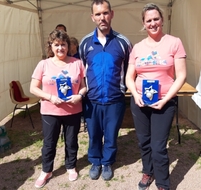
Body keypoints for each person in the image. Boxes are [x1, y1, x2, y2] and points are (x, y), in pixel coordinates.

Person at [125, 3, 186, 190]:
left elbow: (181, 75)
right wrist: (135, 95)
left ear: (162, 20)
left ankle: (162, 183)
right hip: (140, 102)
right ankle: (147, 171)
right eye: (148, 20)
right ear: (144, 23)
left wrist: (166, 99)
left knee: (158, 146)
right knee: (144, 142)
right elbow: (129, 76)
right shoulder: (138, 47)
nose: (153, 23)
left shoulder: (174, 42)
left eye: (156, 19)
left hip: (164, 103)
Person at [79, 0, 132, 181]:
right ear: (92, 17)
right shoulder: (85, 43)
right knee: (94, 134)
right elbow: (80, 71)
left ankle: (107, 162)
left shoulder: (123, 42)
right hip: (92, 100)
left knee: (111, 134)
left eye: (105, 13)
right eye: (98, 14)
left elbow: (131, 70)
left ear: (112, 14)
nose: (102, 17)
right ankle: (95, 161)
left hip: (115, 99)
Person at [30, 29, 87, 188]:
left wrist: (80, 96)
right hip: (50, 111)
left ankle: (71, 166)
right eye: (57, 45)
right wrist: (50, 97)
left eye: (63, 44)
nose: (60, 48)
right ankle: (46, 170)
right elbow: (33, 88)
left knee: (71, 141)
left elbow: (84, 87)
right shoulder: (44, 64)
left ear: (68, 46)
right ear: (51, 46)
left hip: (72, 110)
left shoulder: (77, 63)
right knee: (49, 143)